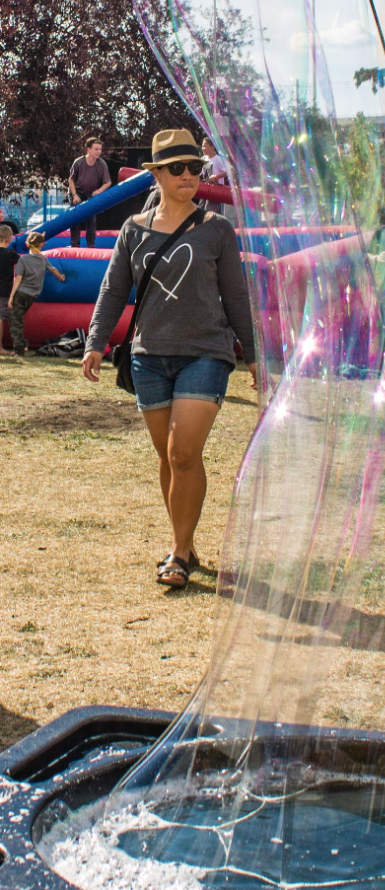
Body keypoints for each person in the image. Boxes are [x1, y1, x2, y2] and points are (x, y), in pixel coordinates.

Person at [81, 129, 257, 589]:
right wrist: (95, 341)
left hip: (206, 355)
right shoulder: (132, 230)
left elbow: (236, 297)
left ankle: (177, 554)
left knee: (183, 451)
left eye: (195, 167)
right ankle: (187, 541)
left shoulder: (217, 229)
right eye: (176, 168)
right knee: (170, 458)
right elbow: (113, 288)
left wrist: (253, 354)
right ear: (156, 173)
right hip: (149, 357)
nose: (188, 176)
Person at [7, 232, 66, 356]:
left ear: (27, 244)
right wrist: (60, 277)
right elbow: (53, 269)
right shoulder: (43, 259)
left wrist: (11, 296)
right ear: (41, 245)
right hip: (33, 295)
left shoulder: (23, 259)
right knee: (18, 318)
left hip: (21, 293)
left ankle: (20, 350)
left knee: (15, 322)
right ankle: (23, 344)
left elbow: (18, 278)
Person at [69, 137, 112, 248]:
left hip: (91, 194)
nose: (99, 152)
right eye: (96, 149)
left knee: (91, 220)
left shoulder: (101, 164)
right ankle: (75, 244)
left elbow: (108, 182)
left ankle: (91, 245)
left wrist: (99, 191)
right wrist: (74, 195)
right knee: (75, 218)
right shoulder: (79, 162)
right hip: (78, 192)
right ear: (89, 149)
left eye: (100, 149)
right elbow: (71, 179)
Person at [0, 224, 20, 352]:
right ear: (10, 239)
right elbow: (23, 263)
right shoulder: (11, 254)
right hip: (5, 292)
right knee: (3, 318)